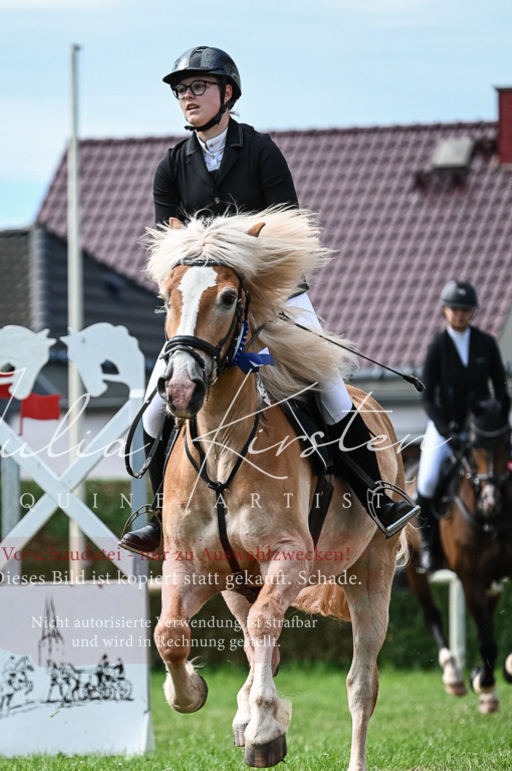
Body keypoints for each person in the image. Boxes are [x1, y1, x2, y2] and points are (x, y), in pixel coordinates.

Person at [120, 45, 418, 554]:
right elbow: (173, 248)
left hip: (275, 297)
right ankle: (152, 513)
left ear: (227, 93)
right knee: (155, 404)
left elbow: (286, 232)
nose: (187, 97)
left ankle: (377, 494)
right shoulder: (170, 166)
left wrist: (227, 249)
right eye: (180, 90)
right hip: (206, 308)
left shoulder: (260, 151)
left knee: (330, 387)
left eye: (198, 88)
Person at [415, 280, 512, 574]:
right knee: (428, 481)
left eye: (465, 310)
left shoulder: (486, 343)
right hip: (445, 428)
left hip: (485, 430)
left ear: (473, 312)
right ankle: (429, 549)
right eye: (454, 309)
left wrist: (496, 418)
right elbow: (427, 395)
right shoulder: (437, 347)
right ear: (445, 311)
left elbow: (500, 386)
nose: (459, 315)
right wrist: (446, 430)